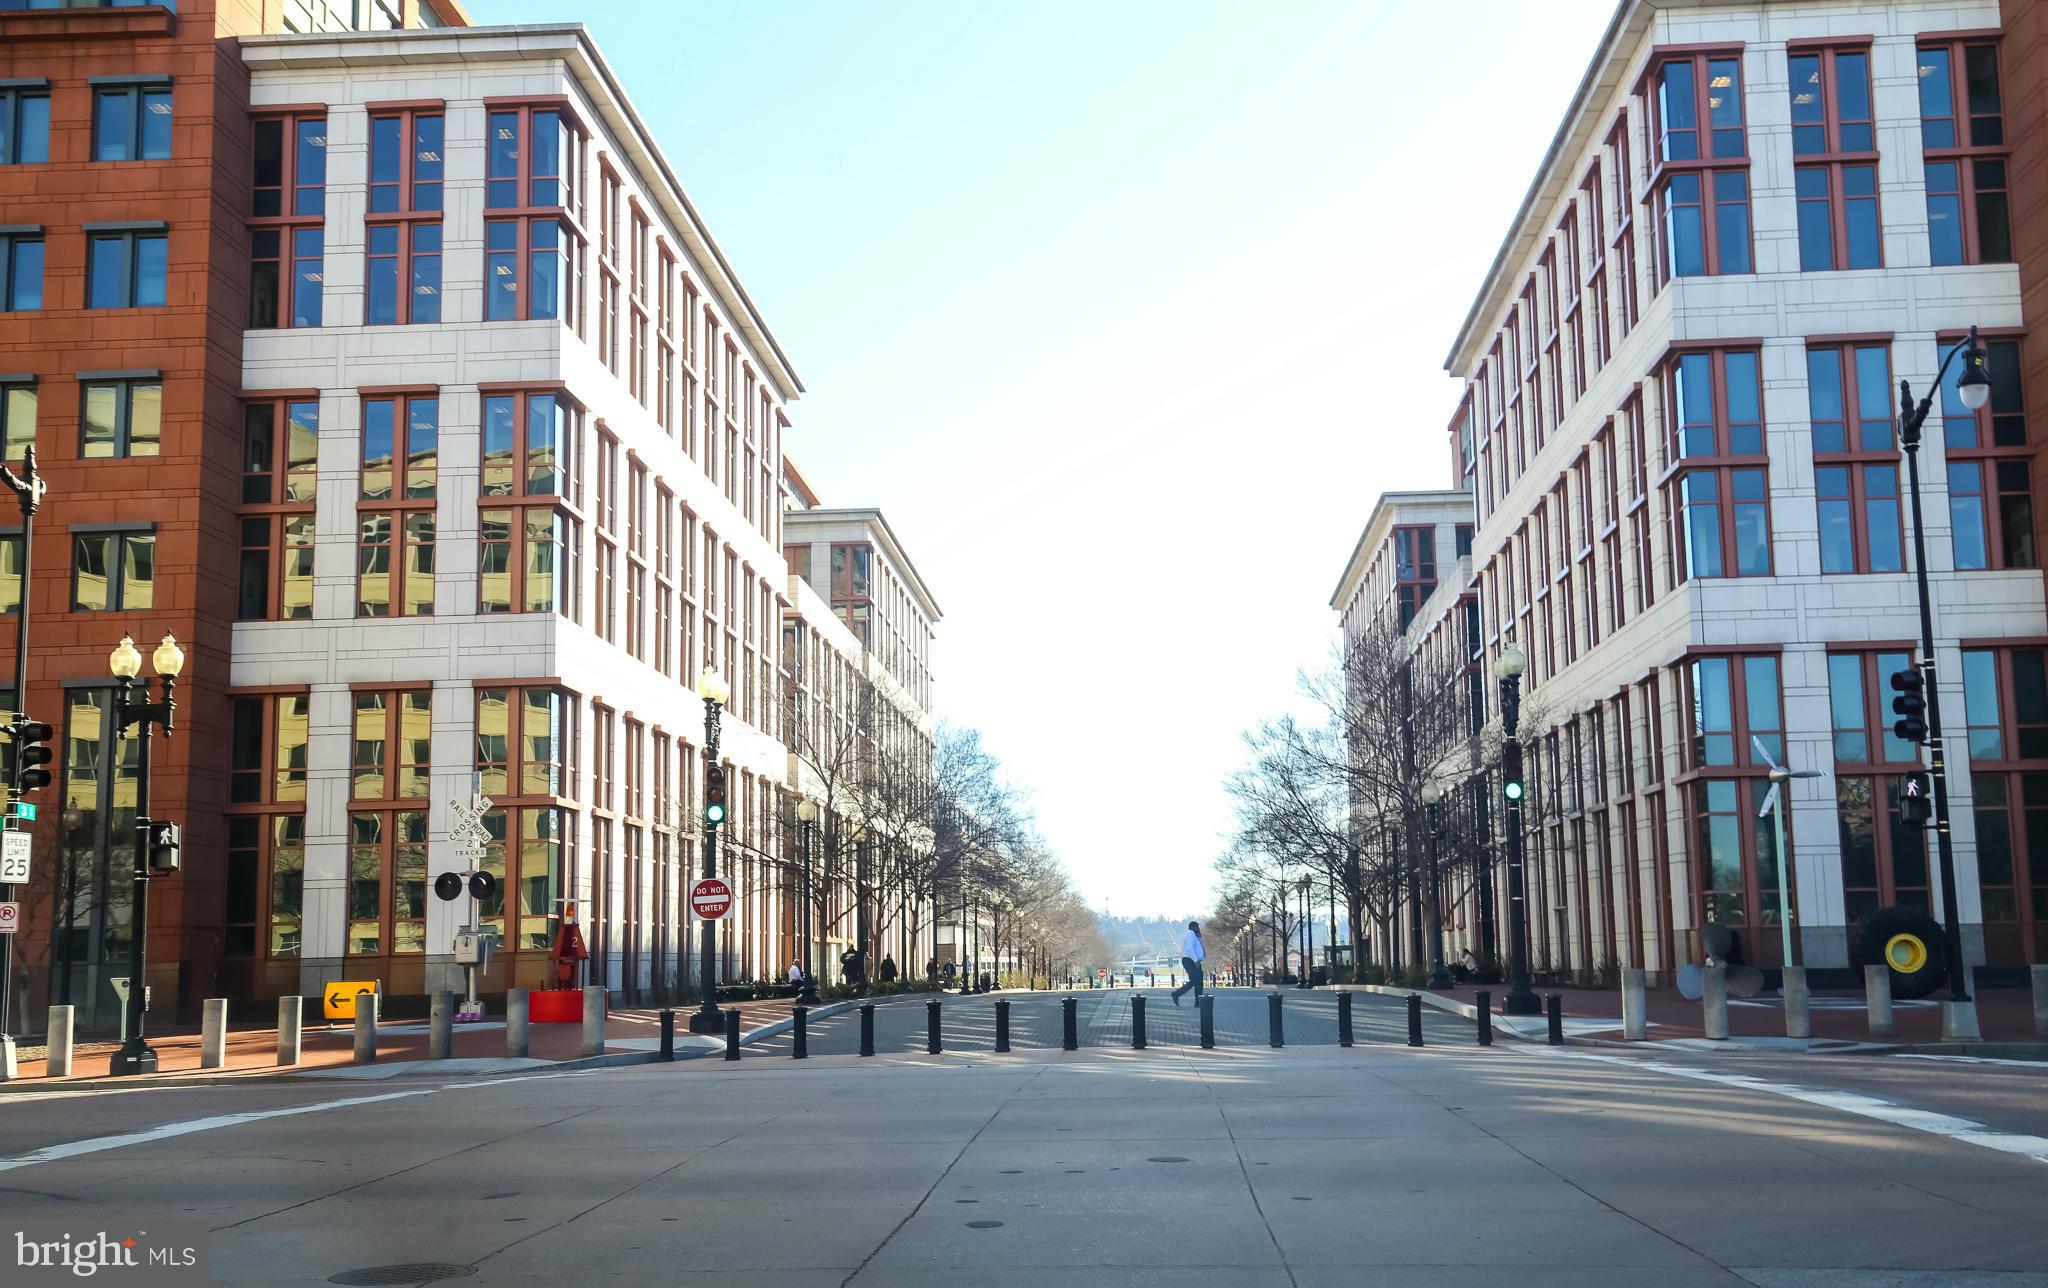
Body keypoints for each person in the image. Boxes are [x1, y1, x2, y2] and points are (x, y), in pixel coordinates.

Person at [1171, 921, 1205, 1006]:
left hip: (1193, 961)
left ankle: (1198, 1001)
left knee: (1199, 981)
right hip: (1190, 960)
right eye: (1197, 927)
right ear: (1193, 927)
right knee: (1195, 980)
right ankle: (1176, 994)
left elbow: (1196, 947)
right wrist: (1195, 960)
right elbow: (1190, 948)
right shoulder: (1190, 934)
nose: (1199, 929)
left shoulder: (1194, 935)